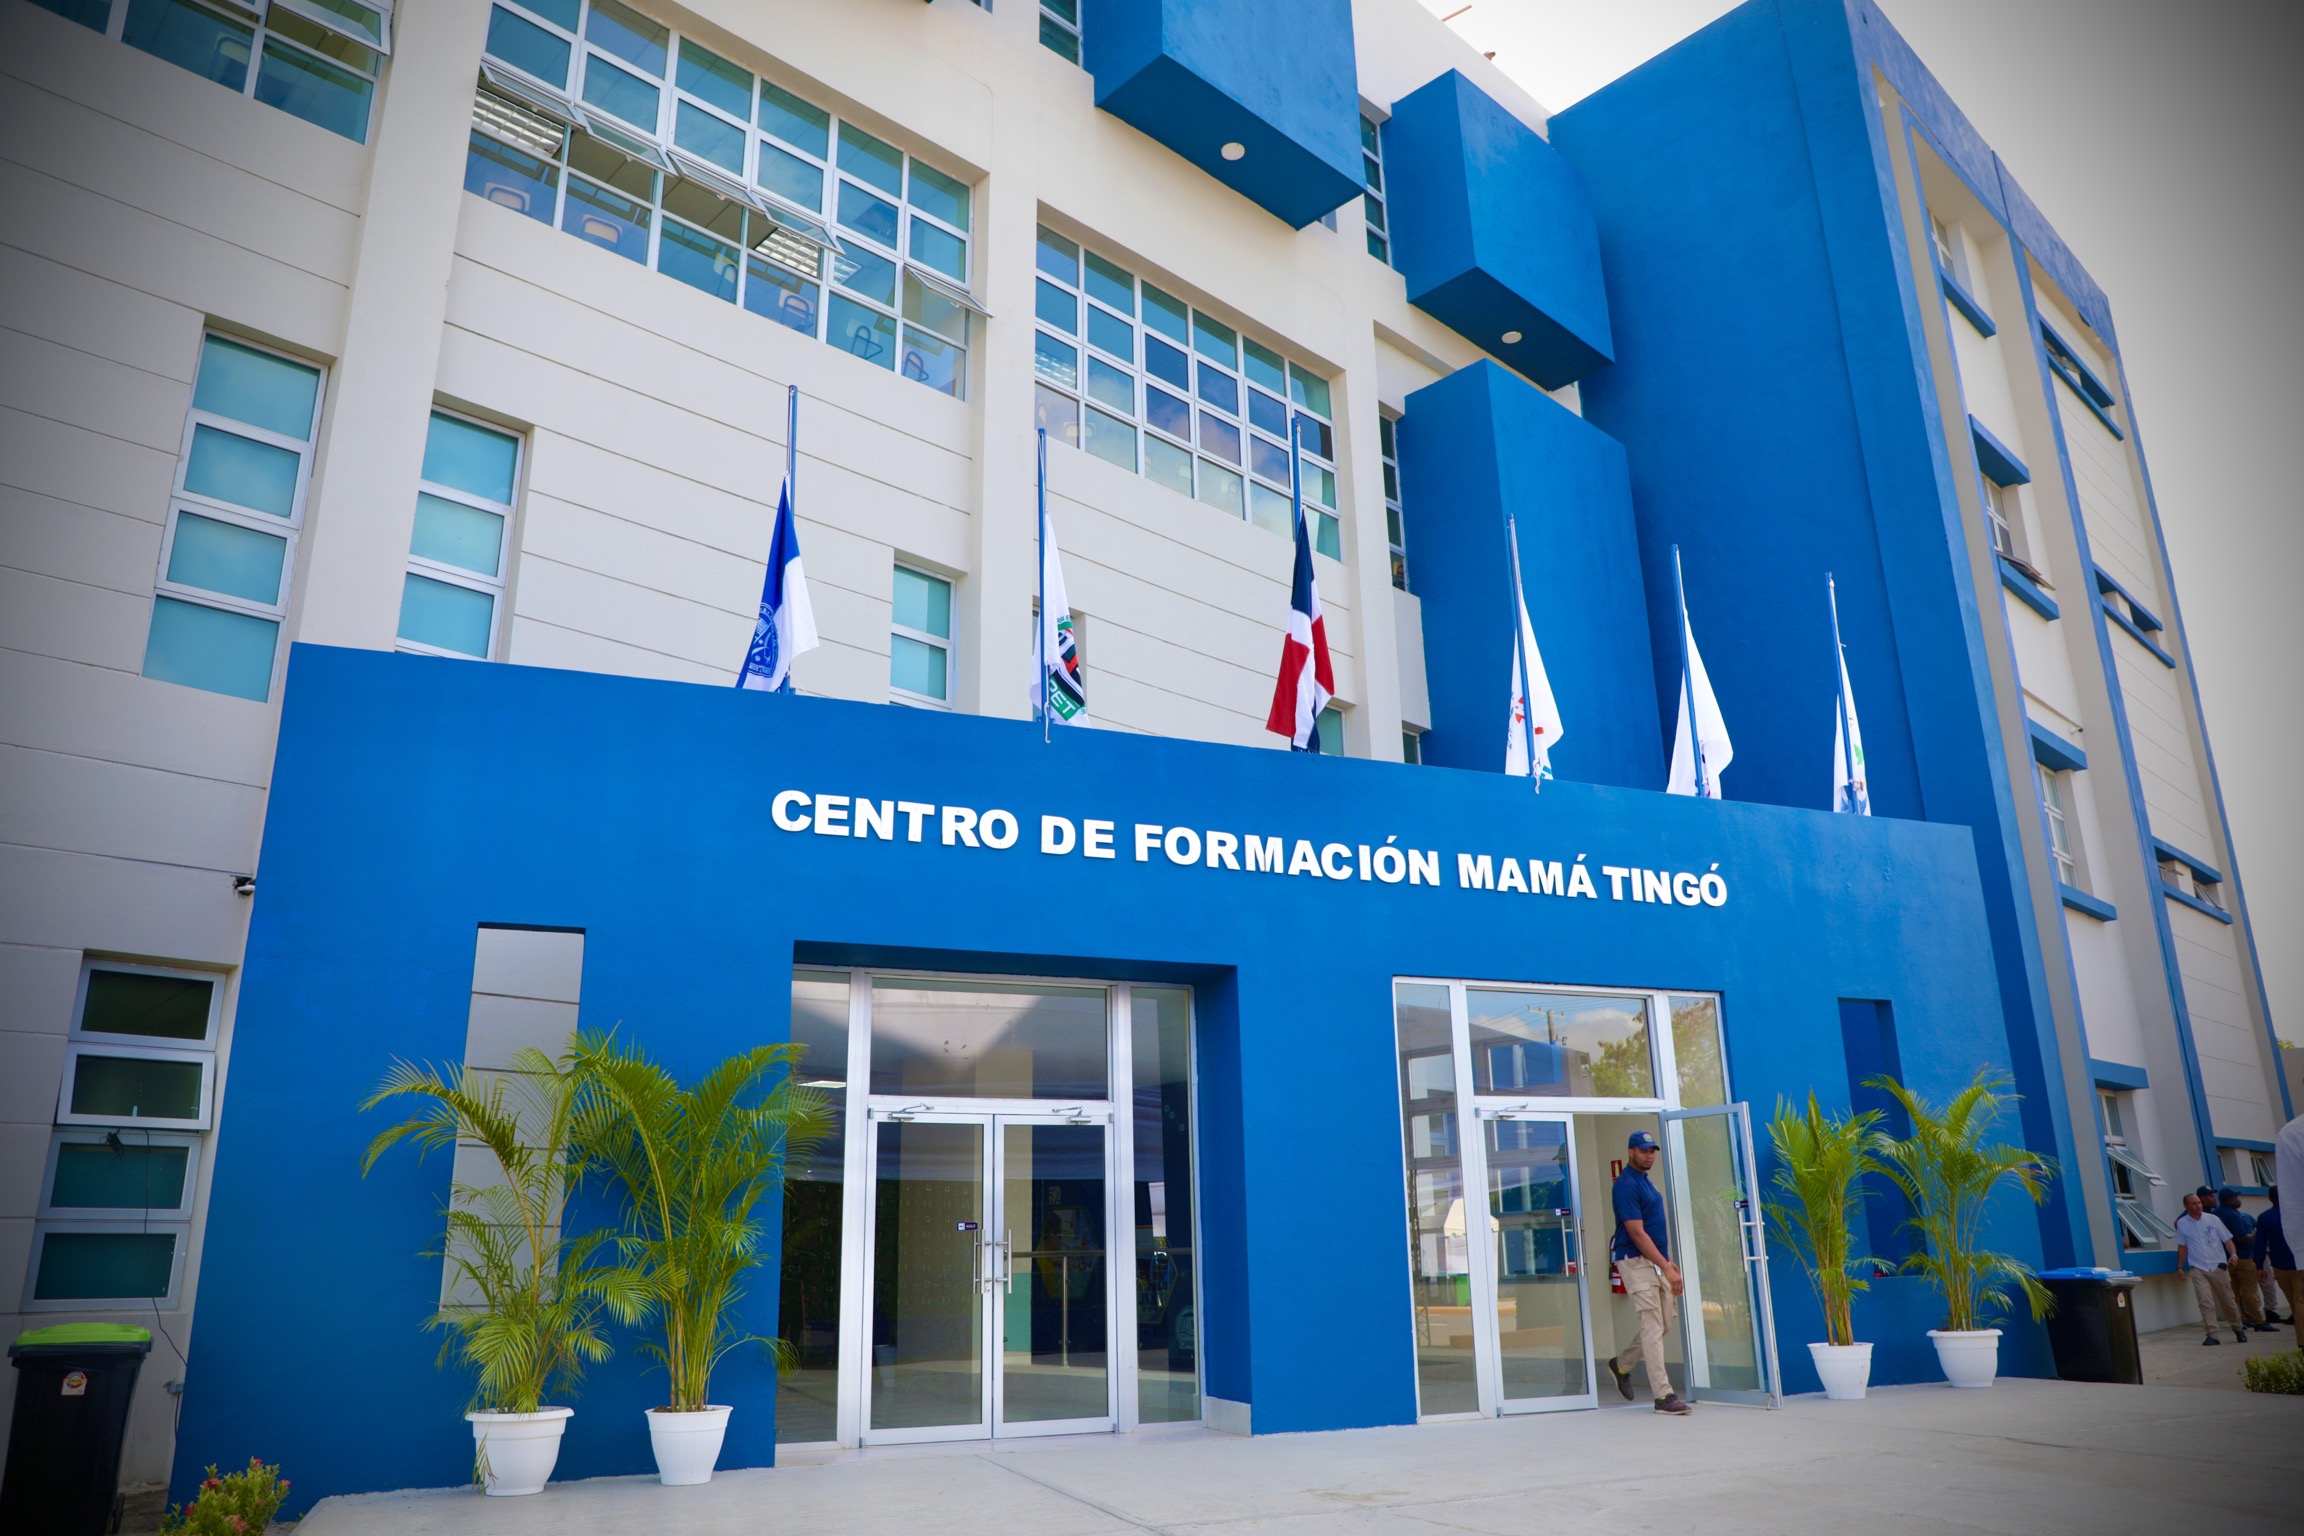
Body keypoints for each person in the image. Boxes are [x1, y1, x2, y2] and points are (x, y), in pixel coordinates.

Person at [1605, 1129, 1691, 1414]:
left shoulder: (1646, 1181)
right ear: (1631, 1151)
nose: (1649, 1155)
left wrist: (1667, 1261)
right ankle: (1663, 1396)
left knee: (1664, 1323)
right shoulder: (1626, 1185)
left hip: (1654, 1261)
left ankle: (1622, 1364)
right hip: (1635, 1260)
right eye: (1643, 1150)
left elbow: (1653, 1228)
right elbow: (1637, 1233)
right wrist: (1665, 1266)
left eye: (1652, 1150)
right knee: (1652, 1326)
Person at [2175, 1190, 2246, 1345]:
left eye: (2199, 1203)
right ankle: (2212, 1334)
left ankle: (2238, 1328)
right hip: (2197, 1267)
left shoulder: (2213, 1219)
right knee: (2205, 1301)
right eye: (2194, 1204)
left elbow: (2227, 1240)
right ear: (2186, 1206)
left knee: (2228, 1300)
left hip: (2217, 1265)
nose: (2198, 1206)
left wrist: (2233, 1254)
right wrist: (2180, 1267)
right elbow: (2182, 1247)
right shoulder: (2182, 1223)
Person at [2216, 1189, 2273, 1329]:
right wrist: (2255, 1233)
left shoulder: (2215, 1214)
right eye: (2236, 1198)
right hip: (2242, 1258)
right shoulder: (2233, 1215)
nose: (2239, 1200)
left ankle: (2239, 1321)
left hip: (2224, 1259)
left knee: (2233, 1293)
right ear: (2229, 1200)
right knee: (2250, 1292)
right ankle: (2258, 1321)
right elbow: (2241, 1238)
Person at [2254, 1185, 2298, 1326]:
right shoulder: (2297, 1213)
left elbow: (2260, 1244)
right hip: (2299, 1261)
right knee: (2300, 1299)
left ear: (2270, 1198)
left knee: (2293, 1300)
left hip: (2280, 1264)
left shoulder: (2265, 1217)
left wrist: (2259, 1266)